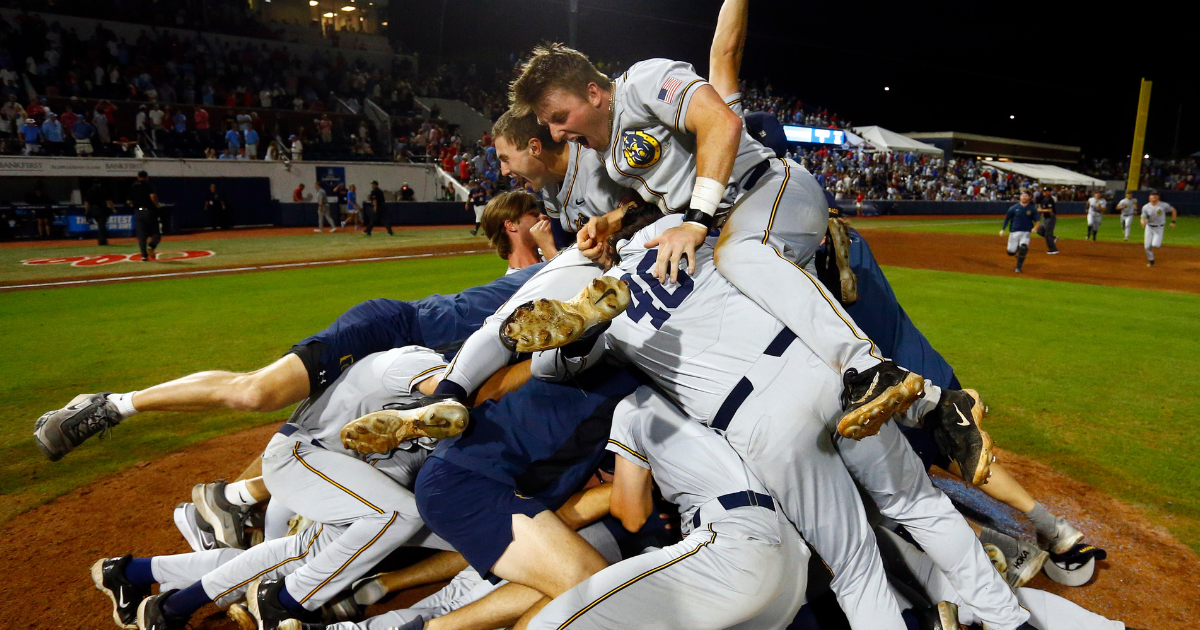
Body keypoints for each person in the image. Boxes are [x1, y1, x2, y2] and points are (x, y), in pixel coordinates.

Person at [526, 208, 1025, 630]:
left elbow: (546, 367)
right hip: (819, 368)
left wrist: (579, 302)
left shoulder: (602, 318)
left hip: (757, 420)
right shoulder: (683, 228)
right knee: (919, 504)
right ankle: (1008, 620)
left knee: (854, 565)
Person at [509, 44, 921, 441]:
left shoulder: (643, 80)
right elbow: (668, 191)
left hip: (767, 189)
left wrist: (695, 222)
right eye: (549, 124)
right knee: (794, 340)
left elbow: (721, 122)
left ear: (594, 93)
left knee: (738, 256)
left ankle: (870, 368)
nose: (556, 132)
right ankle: (935, 408)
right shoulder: (607, 151)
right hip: (741, 223)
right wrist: (615, 220)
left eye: (560, 116)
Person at [481, 192, 559, 274]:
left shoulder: (552, 251)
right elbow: (566, 279)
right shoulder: (516, 282)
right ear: (511, 225)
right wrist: (548, 249)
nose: (543, 216)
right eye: (533, 214)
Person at [1001, 191, 1040, 273]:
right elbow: (1007, 219)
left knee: (1023, 248)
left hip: (1026, 232)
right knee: (1011, 252)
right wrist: (1003, 229)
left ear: (1029, 198)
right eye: (1023, 196)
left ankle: (1018, 267)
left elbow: (1037, 221)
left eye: (1026, 196)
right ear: (1020, 197)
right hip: (1014, 231)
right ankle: (1016, 250)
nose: (1024, 197)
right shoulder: (1013, 208)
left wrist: (1035, 228)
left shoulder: (1032, 209)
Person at [127, 170, 162, 262]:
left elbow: (129, 201)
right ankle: (151, 246)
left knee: (141, 235)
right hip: (149, 211)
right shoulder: (149, 185)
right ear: (146, 177)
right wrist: (157, 205)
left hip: (138, 212)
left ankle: (144, 256)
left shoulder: (133, 187)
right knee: (156, 233)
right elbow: (153, 197)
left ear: (138, 177)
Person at [1140, 189, 1177, 267]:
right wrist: (1142, 221)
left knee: (1155, 245)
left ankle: (1152, 254)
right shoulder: (1145, 207)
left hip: (1159, 228)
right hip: (1149, 227)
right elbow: (1143, 217)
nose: (1154, 197)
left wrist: (1173, 221)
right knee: (1146, 246)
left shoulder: (1163, 205)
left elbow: (1173, 210)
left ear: (1158, 197)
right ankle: (1151, 260)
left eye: (1156, 195)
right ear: (1149, 197)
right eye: (1152, 195)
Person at [83, 180, 114, 245]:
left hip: (92, 209)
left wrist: (87, 211)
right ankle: (102, 240)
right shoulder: (103, 190)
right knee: (101, 225)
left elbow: (86, 202)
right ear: (99, 184)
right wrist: (113, 208)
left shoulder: (89, 191)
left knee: (100, 225)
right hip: (101, 209)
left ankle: (101, 239)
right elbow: (108, 201)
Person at [1036, 187, 1058, 253]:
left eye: (1046, 191)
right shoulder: (1044, 199)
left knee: (1048, 234)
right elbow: (1042, 207)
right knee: (1039, 230)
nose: (1044, 192)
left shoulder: (1050, 200)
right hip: (1046, 218)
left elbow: (1050, 210)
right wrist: (1041, 211)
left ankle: (1053, 249)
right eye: (1044, 191)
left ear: (1049, 192)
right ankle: (1053, 238)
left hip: (1050, 218)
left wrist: (1040, 210)